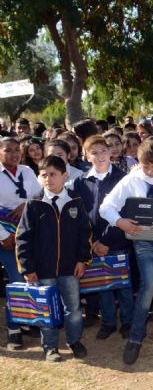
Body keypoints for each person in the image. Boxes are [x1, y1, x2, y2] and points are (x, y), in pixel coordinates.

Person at [100, 139, 153, 365]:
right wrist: (120, 222)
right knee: (150, 285)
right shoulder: (130, 180)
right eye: (144, 166)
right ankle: (136, 338)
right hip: (143, 239)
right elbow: (105, 207)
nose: (149, 171)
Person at [15, 155, 92, 362]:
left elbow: (85, 233)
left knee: (73, 309)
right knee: (46, 309)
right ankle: (50, 347)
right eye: (43, 175)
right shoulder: (34, 204)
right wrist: (27, 268)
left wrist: (82, 260)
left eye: (53, 174)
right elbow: (22, 238)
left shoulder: (75, 200)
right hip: (43, 269)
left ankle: (74, 340)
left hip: (70, 268)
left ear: (64, 175)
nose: (48, 179)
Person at [73, 136, 134, 340]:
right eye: (94, 152)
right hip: (93, 243)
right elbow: (80, 215)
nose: (100, 156)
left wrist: (106, 241)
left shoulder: (123, 178)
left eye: (103, 151)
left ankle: (127, 321)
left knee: (123, 285)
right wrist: (93, 242)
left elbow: (126, 213)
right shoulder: (80, 181)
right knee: (102, 285)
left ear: (110, 152)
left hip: (117, 241)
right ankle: (108, 321)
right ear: (86, 156)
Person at [0, 136, 42, 350]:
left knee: (30, 277)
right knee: (16, 279)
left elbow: (38, 195)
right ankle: (14, 330)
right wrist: (3, 236)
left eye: (17, 149)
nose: (14, 154)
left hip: (27, 231)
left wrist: (26, 205)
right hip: (4, 237)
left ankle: (25, 322)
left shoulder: (26, 171)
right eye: (8, 150)